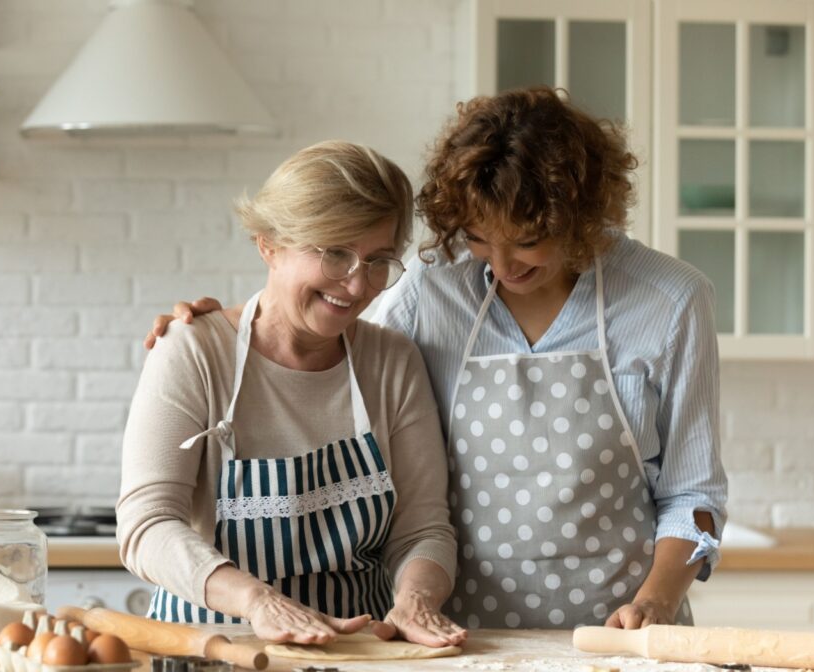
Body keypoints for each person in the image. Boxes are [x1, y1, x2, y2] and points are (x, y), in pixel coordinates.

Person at [144, 87, 729, 631]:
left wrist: (655, 601)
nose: (501, 265)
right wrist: (211, 331)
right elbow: (326, 332)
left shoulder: (670, 301)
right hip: (459, 634)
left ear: (582, 215)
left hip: (619, 634)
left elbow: (693, 495)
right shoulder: (435, 288)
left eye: (528, 240)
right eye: (478, 237)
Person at [117, 140, 467, 648]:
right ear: (269, 245)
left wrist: (416, 600)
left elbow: (422, 528)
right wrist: (258, 601)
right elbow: (147, 525)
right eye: (335, 254)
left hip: (356, 652)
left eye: (377, 261)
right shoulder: (193, 351)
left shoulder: (392, 362)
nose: (356, 285)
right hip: (213, 647)